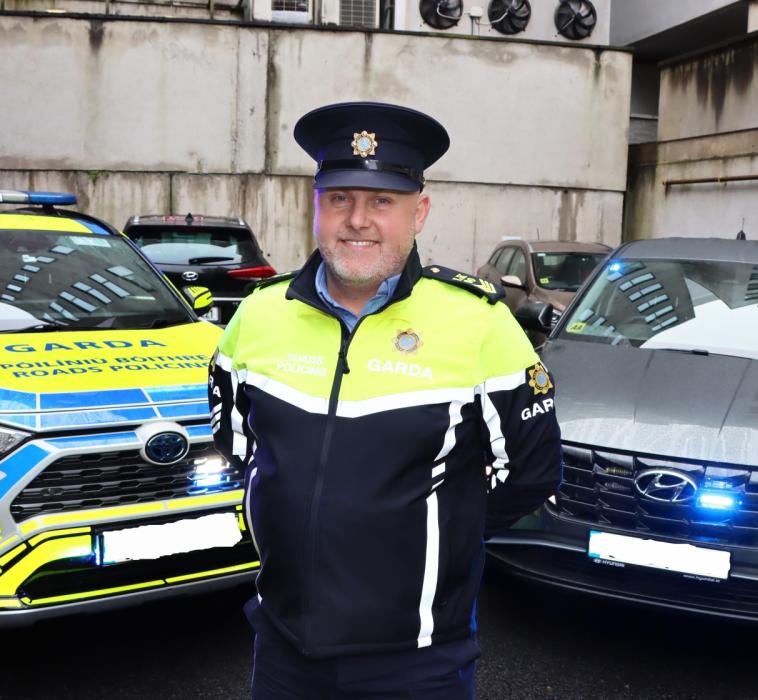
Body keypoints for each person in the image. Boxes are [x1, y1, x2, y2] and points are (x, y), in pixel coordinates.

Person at [209, 101, 563, 699]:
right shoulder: (258, 315)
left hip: (417, 663)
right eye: (340, 197)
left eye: (382, 201)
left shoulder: (480, 323)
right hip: (282, 650)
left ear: (417, 211)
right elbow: (240, 444)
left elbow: (529, 474)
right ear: (315, 206)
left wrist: (429, 542)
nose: (358, 220)